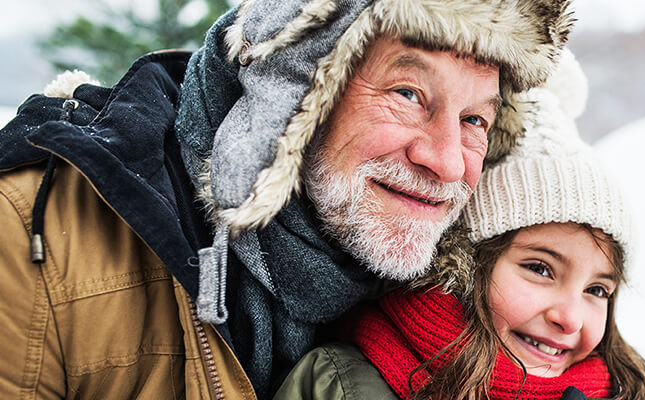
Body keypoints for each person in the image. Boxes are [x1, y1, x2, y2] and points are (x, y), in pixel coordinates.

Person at [0, 0, 573, 398]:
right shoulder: (35, 240)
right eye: (407, 92)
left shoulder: (464, 309)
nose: (447, 162)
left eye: (475, 119)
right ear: (296, 94)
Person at [273, 50, 645, 400]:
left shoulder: (616, 390)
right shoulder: (342, 384)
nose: (570, 318)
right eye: (540, 269)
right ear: (463, 268)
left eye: (597, 289)